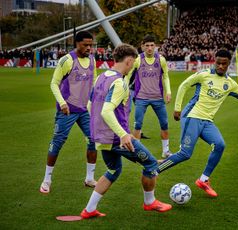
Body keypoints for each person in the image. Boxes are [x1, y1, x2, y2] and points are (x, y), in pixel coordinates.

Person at [157, 49, 238, 197]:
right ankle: (154, 171)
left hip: (207, 121)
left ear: (229, 64)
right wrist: (177, 108)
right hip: (192, 117)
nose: (220, 66)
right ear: (215, 61)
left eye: (224, 64)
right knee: (185, 154)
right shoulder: (204, 75)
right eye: (218, 63)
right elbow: (184, 85)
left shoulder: (230, 84)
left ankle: (203, 180)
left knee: (220, 145)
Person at [80, 43, 172, 219]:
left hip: (100, 137)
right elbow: (106, 110)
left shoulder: (101, 77)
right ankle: (150, 202)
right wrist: (122, 134)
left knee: (114, 170)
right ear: (129, 61)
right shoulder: (120, 82)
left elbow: (90, 106)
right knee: (151, 164)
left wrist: (96, 132)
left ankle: (89, 209)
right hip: (117, 138)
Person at [39, 31, 98, 194]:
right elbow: (54, 83)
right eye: (85, 45)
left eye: (91, 45)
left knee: (93, 140)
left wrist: (90, 103)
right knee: (58, 142)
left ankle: (89, 178)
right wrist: (62, 103)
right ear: (76, 43)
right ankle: (47, 180)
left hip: (84, 110)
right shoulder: (67, 60)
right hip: (67, 110)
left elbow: (93, 82)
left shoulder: (92, 59)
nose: (88, 48)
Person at [125, 34, 172, 158]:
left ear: (155, 46)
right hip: (141, 98)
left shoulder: (161, 59)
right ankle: (136, 151)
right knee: (138, 124)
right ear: (142, 47)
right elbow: (128, 76)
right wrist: (125, 91)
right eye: (147, 46)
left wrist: (168, 92)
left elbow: (166, 76)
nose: (150, 48)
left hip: (158, 98)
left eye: (152, 45)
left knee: (164, 123)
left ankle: (166, 151)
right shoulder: (138, 60)